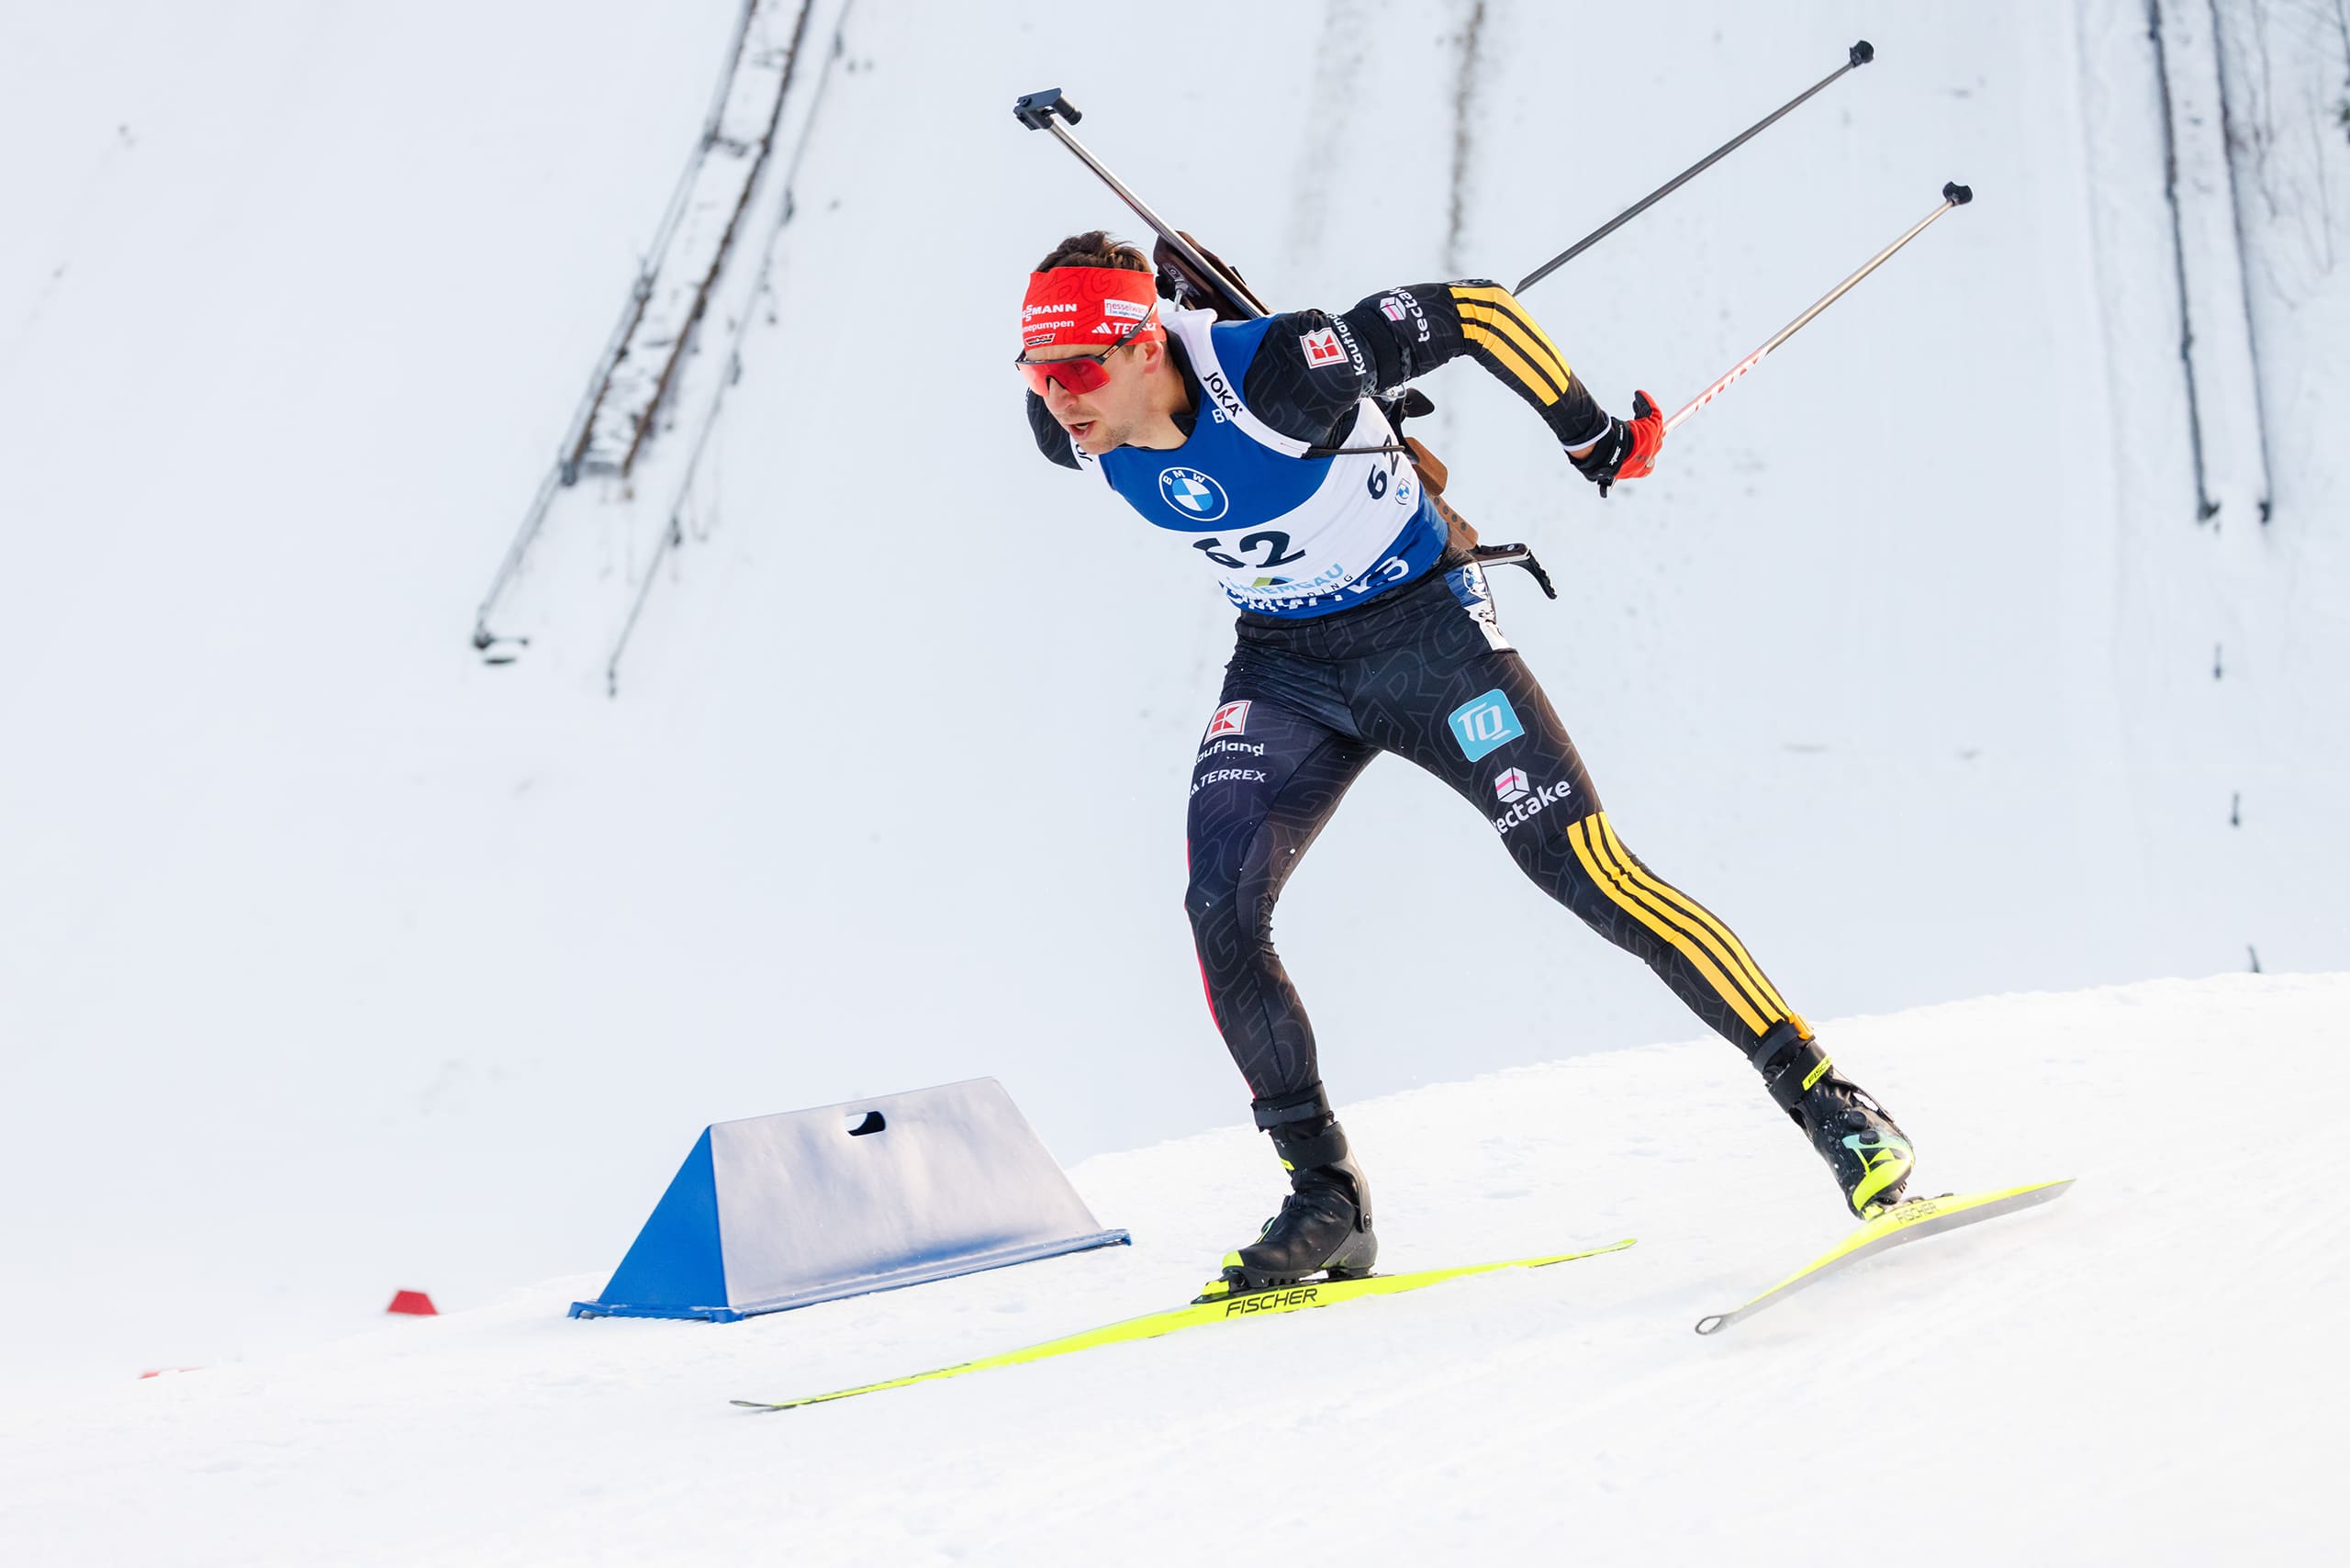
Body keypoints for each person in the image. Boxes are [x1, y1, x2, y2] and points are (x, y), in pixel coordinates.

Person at [1018, 231, 1913, 1295]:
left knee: (1587, 873)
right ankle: (1326, 1199)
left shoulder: (1280, 371)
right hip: (1284, 666)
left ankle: (1830, 1104)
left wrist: (1592, 436)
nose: (1059, 399)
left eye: (1077, 370)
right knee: (1219, 903)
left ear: (1143, 344)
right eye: (1038, 372)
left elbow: (1480, 312)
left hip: (1426, 643)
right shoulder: (1061, 427)